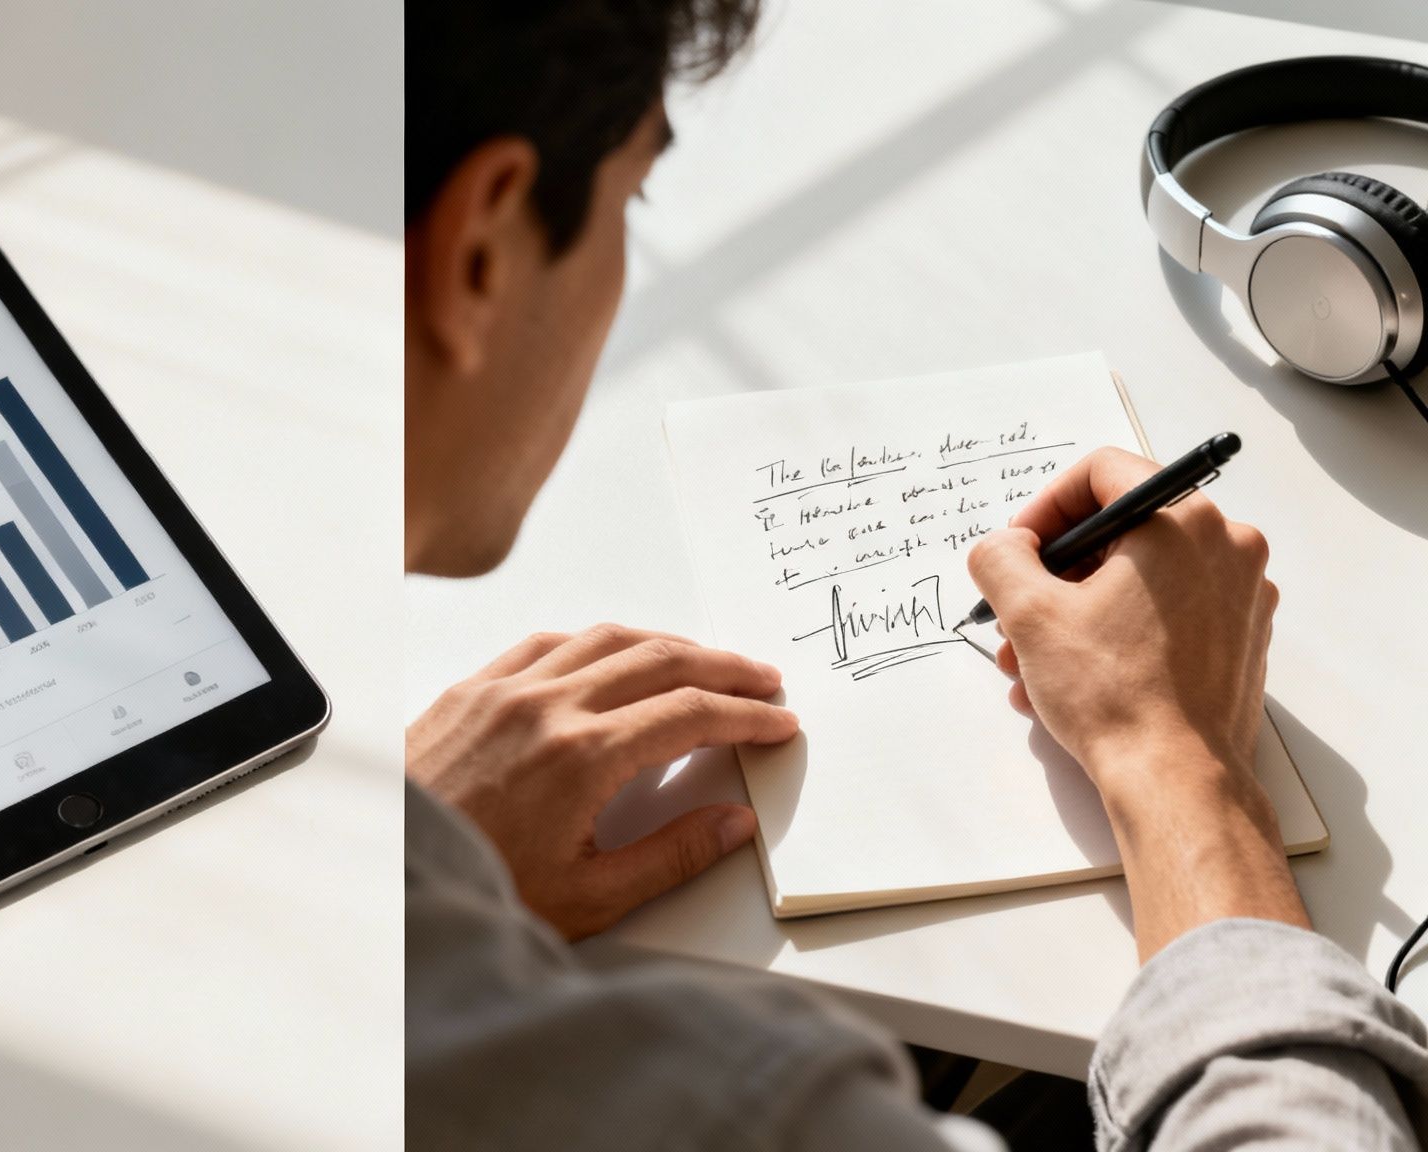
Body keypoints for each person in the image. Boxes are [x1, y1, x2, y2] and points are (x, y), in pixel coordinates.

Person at [404, 1, 1428, 1148]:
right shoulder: (747, 1107)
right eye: (630, 198)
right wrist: (1174, 757)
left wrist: (413, 865)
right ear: (480, 246)